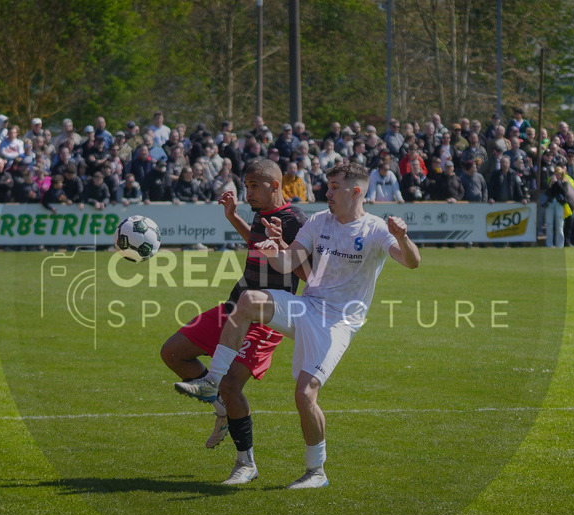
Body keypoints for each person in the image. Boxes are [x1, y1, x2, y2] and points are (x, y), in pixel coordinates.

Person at [174, 162, 420, 489]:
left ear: (356, 191)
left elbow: (412, 261)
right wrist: (274, 249)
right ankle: (211, 381)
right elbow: (288, 262)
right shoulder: (318, 221)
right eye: (328, 186)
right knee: (248, 300)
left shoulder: (375, 229)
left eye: (334, 187)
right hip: (308, 305)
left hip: (339, 321)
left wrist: (403, 238)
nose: (327, 193)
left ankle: (316, 472)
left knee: (305, 395)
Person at [166, 159, 308, 455]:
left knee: (231, 386)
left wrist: (281, 248)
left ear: (275, 185)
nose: (248, 192)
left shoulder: (295, 219)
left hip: (267, 317)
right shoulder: (260, 213)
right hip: (235, 305)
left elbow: (310, 275)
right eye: (246, 186)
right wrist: (232, 216)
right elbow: (255, 242)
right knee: (173, 352)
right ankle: (219, 406)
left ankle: (246, 463)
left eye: (254, 186)